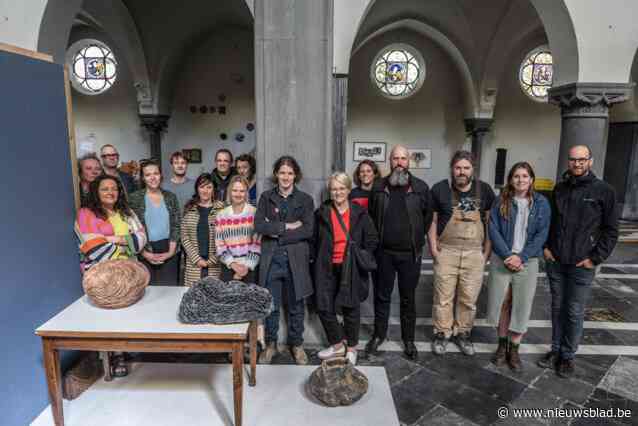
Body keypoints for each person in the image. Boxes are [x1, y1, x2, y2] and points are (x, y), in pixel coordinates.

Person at [539, 145, 619, 378]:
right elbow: (551, 222)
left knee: (574, 311)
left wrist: (595, 259)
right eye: (573, 160)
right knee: (556, 308)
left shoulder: (604, 191)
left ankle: (567, 356)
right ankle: (555, 350)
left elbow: (611, 230)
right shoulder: (560, 188)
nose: (577, 164)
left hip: (581, 265)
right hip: (556, 261)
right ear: (568, 162)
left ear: (590, 161)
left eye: (582, 160)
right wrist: (546, 248)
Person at [74, 174, 147, 377]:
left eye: (114, 188)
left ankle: (125, 352)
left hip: (131, 273)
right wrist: (125, 243)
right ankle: (112, 356)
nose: (110, 192)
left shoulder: (126, 212)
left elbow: (141, 238)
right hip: (102, 275)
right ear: (96, 191)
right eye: (105, 189)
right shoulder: (86, 213)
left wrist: (110, 238)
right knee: (109, 318)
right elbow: (92, 247)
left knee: (131, 314)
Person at [366, 145, 433, 360]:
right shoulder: (378, 187)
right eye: (395, 158)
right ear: (389, 161)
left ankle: (409, 339)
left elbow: (427, 218)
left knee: (408, 298)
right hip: (383, 254)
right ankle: (379, 335)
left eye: (403, 158)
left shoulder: (421, 188)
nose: (399, 162)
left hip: (410, 255)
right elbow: (370, 217)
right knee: (382, 297)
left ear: (409, 161)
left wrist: (416, 240)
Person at [428, 150, 495, 356]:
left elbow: (490, 222)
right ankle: (442, 333)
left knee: (468, 298)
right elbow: (433, 220)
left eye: (466, 168)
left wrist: (486, 253)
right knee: (443, 297)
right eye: (458, 167)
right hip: (446, 251)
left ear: (472, 169)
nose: (462, 172)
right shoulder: (439, 189)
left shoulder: (484, 190)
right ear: (452, 169)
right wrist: (432, 247)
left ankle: (463, 333)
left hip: (474, 252)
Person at [487, 162, 550, 371]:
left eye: (524, 176)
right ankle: (501, 345)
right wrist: (507, 255)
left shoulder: (541, 203)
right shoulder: (500, 201)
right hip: (502, 259)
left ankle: (514, 350)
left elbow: (542, 234)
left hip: (527, 261)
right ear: (510, 179)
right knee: (503, 303)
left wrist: (521, 257)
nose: (520, 180)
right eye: (516, 176)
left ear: (531, 179)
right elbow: (493, 229)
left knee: (521, 305)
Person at [313, 172, 378, 366]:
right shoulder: (322, 212)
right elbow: (314, 240)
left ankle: (351, 348)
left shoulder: (359, 213)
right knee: (323, 306)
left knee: (351, 308)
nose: (338, 192)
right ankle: (336, 344)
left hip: (351, 268)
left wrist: (358, 254)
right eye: (334, 189)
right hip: (326, 267)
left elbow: (372, 239)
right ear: (329, 191)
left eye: (341, 188)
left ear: (349, 190)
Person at [255, 156, 314, 365]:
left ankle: (296, 345)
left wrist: (277, 232)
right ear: (276, 175)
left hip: (296, 260)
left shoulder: (305, 200)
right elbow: (260, 226)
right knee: (271, 305)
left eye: (289, 173)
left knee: (297, 306)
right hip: (272, 260)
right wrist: (287, 227)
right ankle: (271, 345)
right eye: (282, 172)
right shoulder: (266, 197)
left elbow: (308, 230)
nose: (286, 177)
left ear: (295, 175)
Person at [129, 159, 181, 285]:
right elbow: (130, 227)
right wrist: (144, 253)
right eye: (148, 175)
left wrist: (170, 252)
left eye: (156, 173)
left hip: (170, 248)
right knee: (148, 291)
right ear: (143, 178)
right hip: (145, 248)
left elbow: (176, 224)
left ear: (160, 175)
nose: (153, 177)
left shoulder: (171, 197)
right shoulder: (134, 198)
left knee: (169, 291)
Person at [181, 173, 225, 287]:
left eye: (209, 187)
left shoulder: (222, 209)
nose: (205, 190)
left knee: (214, 297)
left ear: (214, 189)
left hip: (215, 264)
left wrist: (212, 260)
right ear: (197, 189)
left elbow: (227, 238)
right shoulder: (189, 208)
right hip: (194, 264)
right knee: (194, 297)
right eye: (202, 187)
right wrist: (197, 259)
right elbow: (184, 237)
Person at [215, 175, 261, 283]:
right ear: (230, 192)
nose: (238, 194)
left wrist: (246, 267)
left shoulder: (255, 213)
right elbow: (219, 245)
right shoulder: (221, 215)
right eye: (235, 190)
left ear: (246, 193)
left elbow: (257, 244)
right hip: (228, 268)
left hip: (250, 269)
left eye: (242, 191)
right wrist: (233, 264)